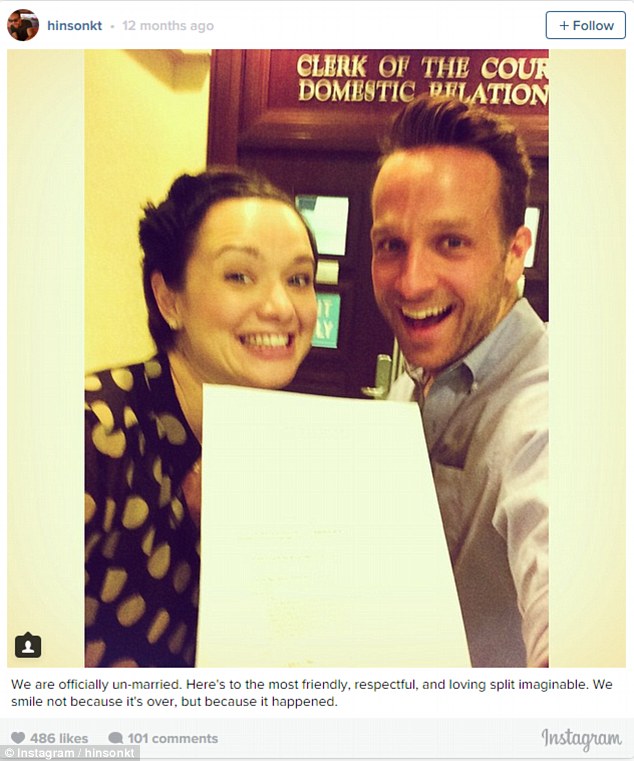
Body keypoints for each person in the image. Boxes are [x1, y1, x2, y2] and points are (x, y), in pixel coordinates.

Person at [85, 167, 318, 667]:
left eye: (298, 279)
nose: (282, 307)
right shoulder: (90, 432)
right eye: (240, 276)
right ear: (169, 299)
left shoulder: (290, 448)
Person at [371, 95, 548, 667]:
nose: (411, 282)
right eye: (391, 245)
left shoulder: (553, 410)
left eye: (451, 242)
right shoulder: (415, 381)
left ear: (514, 253)